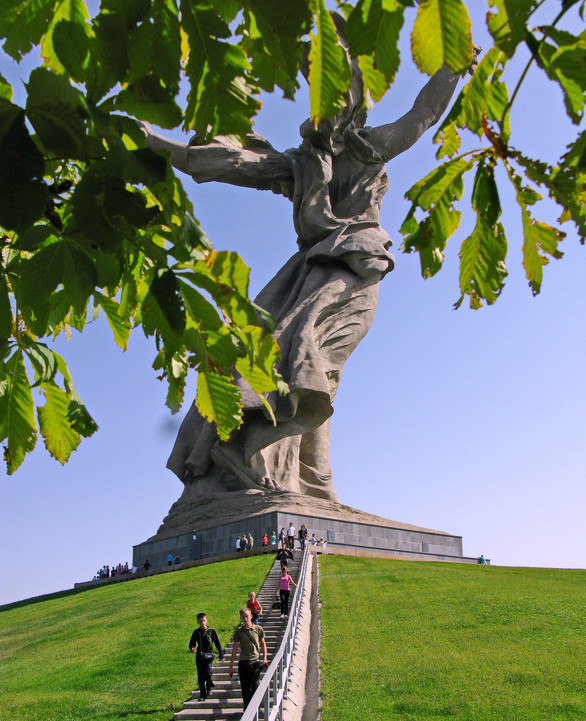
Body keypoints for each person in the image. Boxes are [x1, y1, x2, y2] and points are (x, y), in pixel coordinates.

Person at [141, 16, 461, 503]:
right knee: (269, 352)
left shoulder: (371, 146)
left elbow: (425, 113)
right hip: (308, 269)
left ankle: (283, 466)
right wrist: (152, 142)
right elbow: (223, 162)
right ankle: (296, 475)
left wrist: (456, 60)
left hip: (355, 270)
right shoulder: (301, 161)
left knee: (309, 350)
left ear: (354, 100)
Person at [229, 608, 268, 710]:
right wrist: (231, 666)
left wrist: (264, 658)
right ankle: (247, 708)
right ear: (241, 618)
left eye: (247, 616)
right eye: (243, 617)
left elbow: (263, 644)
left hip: (255, 661)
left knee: (255, 685)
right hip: (243, 662)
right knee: (245, 687)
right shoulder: (239, 631)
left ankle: (253, 706)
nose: (245, 618)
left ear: (251, 616)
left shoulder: (258, 629)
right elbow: (235, 649)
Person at [189, 612, 224, 701]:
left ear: (206, 620)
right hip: (200, 656)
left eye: (204, 621)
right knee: (201, 676)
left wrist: (221, 655)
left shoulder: (211, 631)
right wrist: (192, 648)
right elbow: (192, 643)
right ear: (198, 622)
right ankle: (202, 694)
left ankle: (209, 687)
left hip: (209, 656)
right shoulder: (196, 632)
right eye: (200, 621)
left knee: (208, 673)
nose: (203, 623)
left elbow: (217, 643)